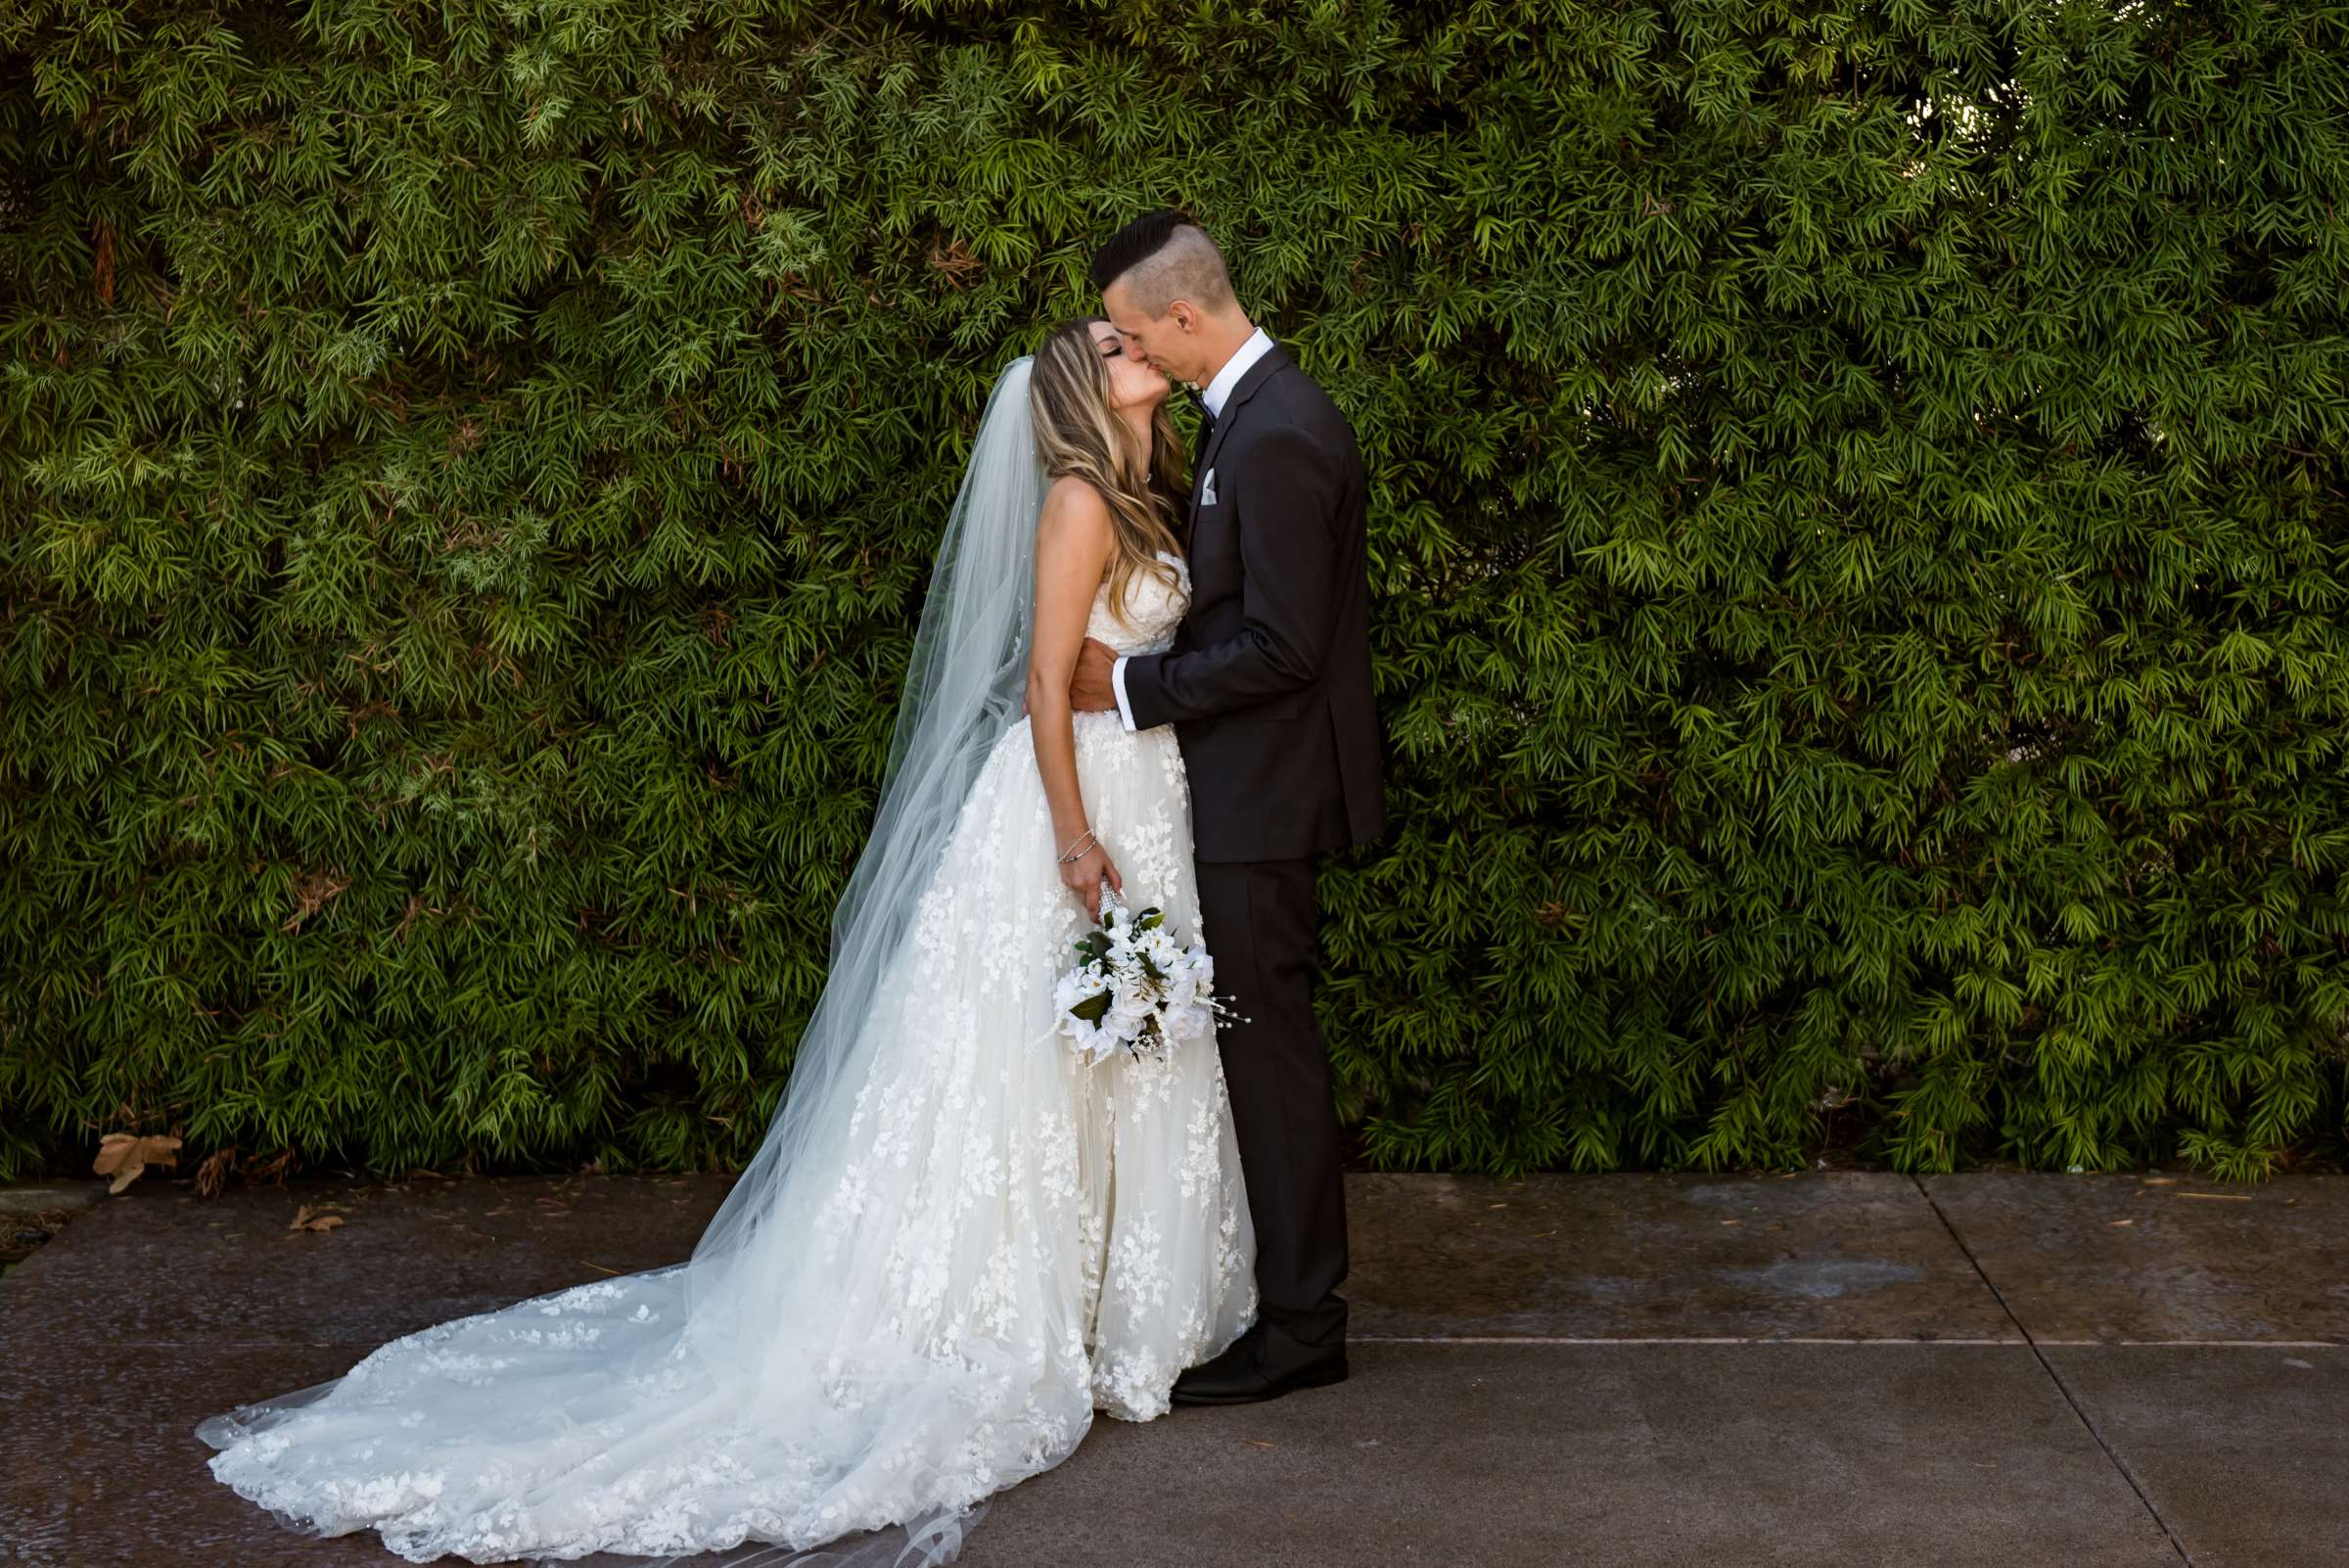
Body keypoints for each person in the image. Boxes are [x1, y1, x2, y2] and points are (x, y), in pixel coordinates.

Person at [194, 317, 1256, 1566]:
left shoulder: (1147, 490)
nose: (1137, 346)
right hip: (1073, 803)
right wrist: (1073, 840)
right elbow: (1038, 682)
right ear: (1086, 390)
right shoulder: (1081, 499)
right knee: (1026, 1059)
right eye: (1112, 343)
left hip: (1150, 790)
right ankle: (1021, 1309)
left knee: (1123, 1043)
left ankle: (1114, 1304)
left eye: (1135, 336)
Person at [1069, 209, 1387, 1407]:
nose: (1136, 349)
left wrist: (1138, 684)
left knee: (1274, 1063)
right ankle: (1290, 1304)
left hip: (1270, 802)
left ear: (1187, 318)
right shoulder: (1247, 419)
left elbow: (1287, 646)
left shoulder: (1277, 436)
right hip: (1246, 792)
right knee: (1260, 1056)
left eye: (1141, 330)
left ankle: (1307, 1328)